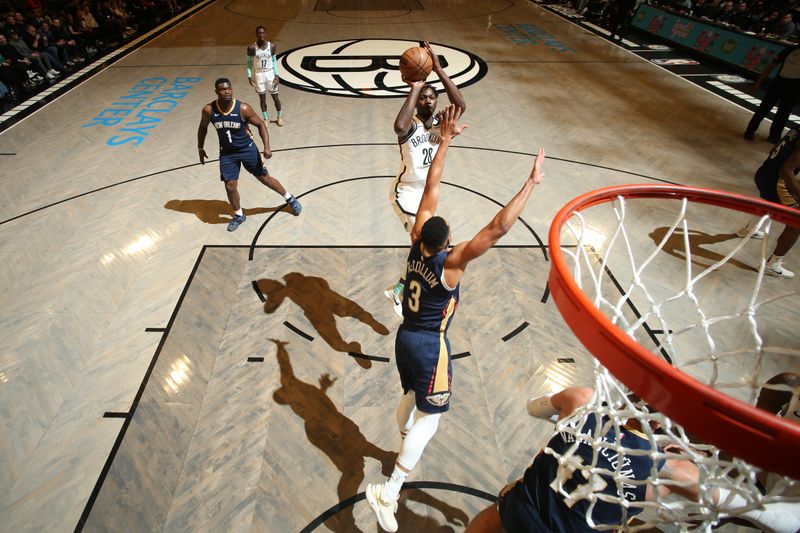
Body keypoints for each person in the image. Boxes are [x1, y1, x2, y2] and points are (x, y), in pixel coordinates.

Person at [364, 104, 546, 532]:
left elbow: (430, 185)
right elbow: (498, 227)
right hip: (429, 345)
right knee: (434, 417)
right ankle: (389, 491)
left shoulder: (415, 238)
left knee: (413, 402)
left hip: (404, 337)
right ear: (446, 242)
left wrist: (444, 140)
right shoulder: (451, 264)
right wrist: (530, 183)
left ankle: (406, 435)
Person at [384, 41, 467, 317]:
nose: (428, 101)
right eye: (423, 98)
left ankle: (401, 286)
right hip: (407, 192)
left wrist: (438, 68)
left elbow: (461, 104)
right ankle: (403, 291)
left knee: (441, 239)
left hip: (428, 193)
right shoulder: (411, 126)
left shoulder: (441, 125)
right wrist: (416, 86)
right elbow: (398, 126)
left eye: (432, 97)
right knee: (421, 240)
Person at [196, 78, 301, 232]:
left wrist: (267, 147)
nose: (226, 92)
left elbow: (260, 125)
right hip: (227, 153)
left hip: (247, 149)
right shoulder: (209, 110)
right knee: (230, 186)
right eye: (223, 89)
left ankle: (290, 198)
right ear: (216, 92)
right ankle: (239, 215)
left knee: (265, 178)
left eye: (229, 88)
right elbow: (202, 127)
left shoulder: (243, 108)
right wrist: (200, 147)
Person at [736, 128, 800, 278]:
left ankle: (749, 229)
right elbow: (786, 170)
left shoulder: (795, 129)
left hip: (763, 172)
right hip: (777, 181)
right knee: (796, 223)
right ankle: (773, 265)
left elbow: (774, 149)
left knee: (771, 201)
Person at [743, 44, 800, 144]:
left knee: (783, 113)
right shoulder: (789, 50)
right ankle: (750, 130)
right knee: (764, 107)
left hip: (794, 87)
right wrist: (759, 82)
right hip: (779, 82)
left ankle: (774, 136)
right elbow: (771, 65)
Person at [247, 26, 283, 127]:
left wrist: (276, 75)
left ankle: (279, 116)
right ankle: (266, 118)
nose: (261, 35)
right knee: (262, 98)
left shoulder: (272, 46)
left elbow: (274, 61)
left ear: (265, 34)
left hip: (270, 73)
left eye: (263, 33)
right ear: (256, 34)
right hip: (259, 74)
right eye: (259, 33)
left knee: (275, 97)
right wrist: (249, 77)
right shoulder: (251, 48)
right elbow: (248, 64)